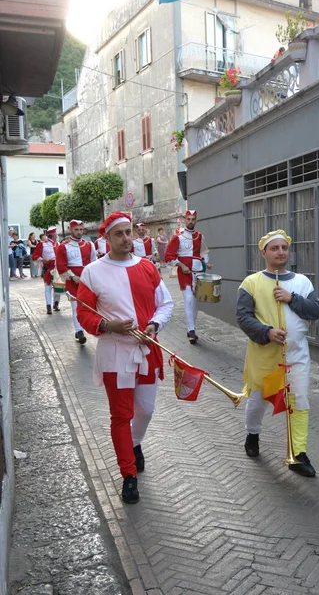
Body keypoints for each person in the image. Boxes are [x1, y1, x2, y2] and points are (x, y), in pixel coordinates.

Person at [76, 212, 174, 504]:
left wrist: (155, 325)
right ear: (106, 238)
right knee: (121, 415)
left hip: (146, 350)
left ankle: (135, 443)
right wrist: (107, 326)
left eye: (128, 232)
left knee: (146, 409)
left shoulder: (147, 267)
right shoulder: (93, 272)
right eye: (118, 234)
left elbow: (165, 304)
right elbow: (84, 313)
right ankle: (128, 475)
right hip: (115, 354)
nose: (126, 238)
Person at [236, 229, 319, 477]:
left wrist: (291, 298)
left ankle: (298, 453)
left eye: (284, 248)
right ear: (264, 252)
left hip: (297, 356)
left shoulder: (302, 282)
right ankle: (252, 434)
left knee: (299, 401)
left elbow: (315, 311)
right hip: (265, 355)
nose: (281, 252)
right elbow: (243, 317)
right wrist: (266, 332)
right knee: (258, 401)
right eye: (275, 248)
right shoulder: (250, 283)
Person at [165, 210, 210, 344]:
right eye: (188, 219)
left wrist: (206, 262)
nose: (190, 221)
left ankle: (192, 329)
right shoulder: (177, 237)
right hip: (185, 272)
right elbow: (169, 256)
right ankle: (191, 330)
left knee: (195, 301)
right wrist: (180, 265)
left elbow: (204, 252)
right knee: (189, 299)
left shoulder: (200, 236)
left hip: (198, 271)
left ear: (196, 220)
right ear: (185, 220)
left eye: (193, 219)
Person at [56, 219, 97, 345]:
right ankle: (79, 331)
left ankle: (88, 326)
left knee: (91, 305)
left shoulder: (90, 245)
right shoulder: (63, 246)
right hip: (72, 281)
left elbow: (94, 262)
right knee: (76, 306)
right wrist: (73, 277)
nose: (79, 232)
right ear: (70, 230)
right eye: (76, 229)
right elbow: (61, 265)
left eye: (81, 229)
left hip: (88, 280)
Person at [32, 226, 61, 314]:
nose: (57, 236)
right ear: (52, 235)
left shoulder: (58, 244)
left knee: (58, 287)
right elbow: (35, 256)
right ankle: (48, 306)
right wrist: (42, 259)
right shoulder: (42, 244)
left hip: (57, 269)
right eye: (56, 234)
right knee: (48, 288)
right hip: (48, 268)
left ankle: (56, 304)